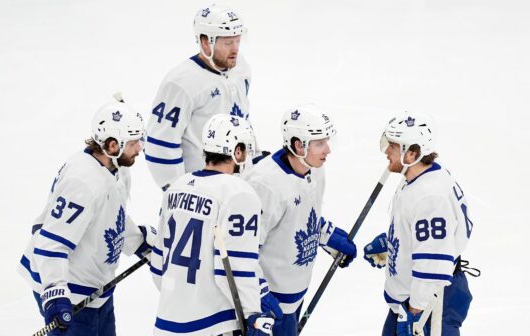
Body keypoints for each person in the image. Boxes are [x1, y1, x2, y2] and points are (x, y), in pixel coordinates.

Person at [18, 100, 156, 335]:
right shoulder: (82, 182)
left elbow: (112, 216)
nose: (140, 148)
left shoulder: (117, 169)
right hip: (70, 291)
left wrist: (140, 242)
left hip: (97, 289)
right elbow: (53, 243)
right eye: (134, 142)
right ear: (113, 145)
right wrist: (55, 293)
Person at [149, 114, 273, 336]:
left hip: (167, 321)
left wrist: (181, 298)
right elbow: (237, 265)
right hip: (213, 324)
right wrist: (252, 313)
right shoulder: (239, 193)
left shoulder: (177, 186)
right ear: (237, 151)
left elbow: (159, 262)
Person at [243, 104, 357, 336]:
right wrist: (261, 295)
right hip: (270, 305)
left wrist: (326, 235)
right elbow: (243, 248)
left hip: (296, 293)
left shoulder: (315, 169)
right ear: (298, 145)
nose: (328, 150)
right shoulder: (264, 185)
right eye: (319, 143)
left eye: (327, 141)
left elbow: (302, 216)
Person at [363, 112, 475, 336]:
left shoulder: (429, 196)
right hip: (411, 303)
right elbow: (430, 237)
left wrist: (415, 315)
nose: (386, 152)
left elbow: (433, 263)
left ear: (411, 153)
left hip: (429, 307)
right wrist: (397, 243)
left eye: (392, 146)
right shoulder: (422, 178)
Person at [146, 4, 255, 192]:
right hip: (200, 193)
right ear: (206, 42)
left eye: (237, 41)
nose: (235, 49)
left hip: (237, 187)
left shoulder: (241, 69)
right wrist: (179, 192)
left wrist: (255, 158)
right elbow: (159, 144)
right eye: (228, 43)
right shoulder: (180, 83)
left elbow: (242, 119)